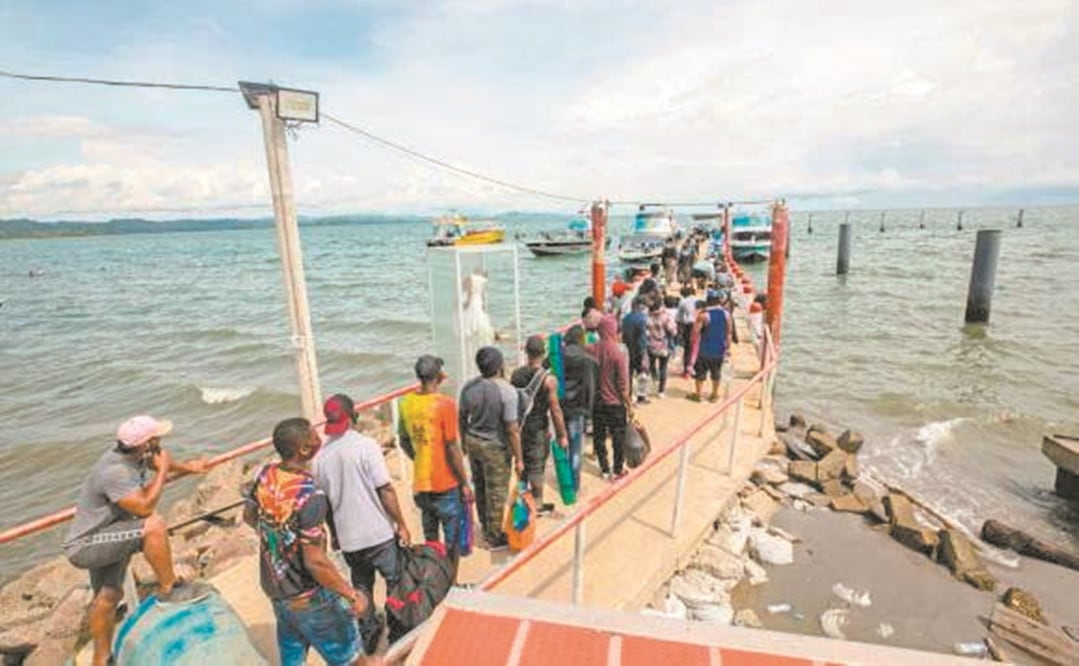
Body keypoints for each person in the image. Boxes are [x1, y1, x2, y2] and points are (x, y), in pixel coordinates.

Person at [63, 416, 210, 666]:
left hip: (109, 532)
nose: (161, 441)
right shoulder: (115, 471)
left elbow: (159, 462)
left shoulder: (135, 454)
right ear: (145, 443)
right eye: (157, 438)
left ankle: (101, 660)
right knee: (153, 525)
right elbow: (143, 508)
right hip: (88, 543)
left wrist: (189, 468)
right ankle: (169, 588)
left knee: (109, 595)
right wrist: (163, 472)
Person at [245, 418, 372, 666]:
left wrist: (278, 540)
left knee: (293, 658)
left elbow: (249, 516)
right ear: (304, 449)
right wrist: (352, 595)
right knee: (351, 659)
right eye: (315, 437)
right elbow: (315, 562)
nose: (320, 440)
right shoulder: (310, 495)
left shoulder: (266, 475)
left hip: (277, 591)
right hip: (309, 597)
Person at [312, 393, 411, 647]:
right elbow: (385, 490)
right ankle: (398, 627)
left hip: (349, 539)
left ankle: (368, 631)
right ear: (353, 415)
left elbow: (327, 506)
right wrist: (401, 523)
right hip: (378, 533)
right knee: (394, 580)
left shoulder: (320, 458)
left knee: (361, 585)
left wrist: (335, 534)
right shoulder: (366, 446)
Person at [398, 355, 472, 573]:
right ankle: (451, 584)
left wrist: (419, 456)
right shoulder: (445, 404)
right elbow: (452, 447)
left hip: (421, 485)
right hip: (446, 484)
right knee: (452, 542)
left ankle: (433, 583)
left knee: (431, 540)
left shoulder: (405, 403)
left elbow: (403, 440)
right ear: (439, 376)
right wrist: (464, 482)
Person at [458, 346, 523, 550]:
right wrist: (519, 458)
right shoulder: (507, 392)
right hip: (495, 446)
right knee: (496, 491)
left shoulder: (468, 388)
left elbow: (461, 418)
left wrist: (464, 442)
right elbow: (512, 429)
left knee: (480, 485)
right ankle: (494, 537)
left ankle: (486, 525)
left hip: (473, 441)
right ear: (499, 366)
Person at [510, 335, 569, 514]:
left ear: (526, 352)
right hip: (538, 429)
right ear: (543, 353)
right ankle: (537, 505)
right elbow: (555, 410)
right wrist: (561, 435)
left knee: (523, 465)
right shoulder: (548, 380)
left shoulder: (515, 374)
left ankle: (523, 499)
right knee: (536, 467)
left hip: (520, 428)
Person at [592, 314, 630, 480]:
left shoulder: (590, 349)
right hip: (615, 403)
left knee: (599, 436)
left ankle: (604, 468)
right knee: (618, 437)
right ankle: (617, 469)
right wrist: (628, 403)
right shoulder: (618, 353)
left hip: (597, 401)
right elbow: (622, 383)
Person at [561, 325, 597, 492]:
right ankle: (574, 486)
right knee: (575, 448)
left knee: (563, 443)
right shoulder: (588, 360)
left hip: (559, 407)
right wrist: (589, 413)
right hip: (578, 408)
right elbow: (590, 388)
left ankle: (564, 477)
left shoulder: (557, 356)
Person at [689, 291, 733, 403]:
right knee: (716, 372)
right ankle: (714, 395)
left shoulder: (703, 315)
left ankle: (698, 394)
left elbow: (695, 333)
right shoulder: (726, 314)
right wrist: (728, 347)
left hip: (704, 348)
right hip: (719, 349)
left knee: (700, 373)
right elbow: (729, 333)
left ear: (707, 301)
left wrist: (692, 343)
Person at [620, 297, 649, 404]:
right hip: (639, 350)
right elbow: (642, 338)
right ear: (640, 306)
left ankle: (629, 395)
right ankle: (641, 396)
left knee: (629, 374)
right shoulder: (642, 319)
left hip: (628, 349)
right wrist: (643, 352)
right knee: (642, 373)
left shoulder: (626, 318)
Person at [646, 300, 677, 398]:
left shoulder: (646, 317)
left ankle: (653, 378)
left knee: (650, 365)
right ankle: (661, 391)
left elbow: (645, 332)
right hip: (664, 345)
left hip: (650, 345)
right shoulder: (666, 316)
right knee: (663, 367)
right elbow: (672, 330)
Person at [676, 285, 698, 378]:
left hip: (688, 326)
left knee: (688, 349)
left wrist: (679, 332)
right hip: (698, 325)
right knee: (696, 347)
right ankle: (696, 369)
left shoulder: (683, 302)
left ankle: (686, 370)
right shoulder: (699, 301)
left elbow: (679, 318)